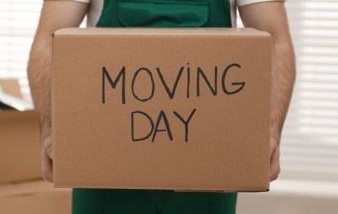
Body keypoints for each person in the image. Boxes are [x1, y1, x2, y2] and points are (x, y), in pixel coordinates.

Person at [27, 0, 296, 213]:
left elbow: (276, 41)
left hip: (210, 166)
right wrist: (52, 132)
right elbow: (48, 43)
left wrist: (269, 134)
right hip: (104, 168)